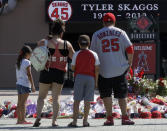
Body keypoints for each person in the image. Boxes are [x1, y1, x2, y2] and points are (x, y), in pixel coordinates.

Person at [90, 13, 134, 125]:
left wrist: (95, 71)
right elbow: (130, 49)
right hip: (120, 69)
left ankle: (109, 118)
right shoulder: (121, 32)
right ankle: (124, 117)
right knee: (122, 95)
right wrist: (129, 64)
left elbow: (92, 54)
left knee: (106, 95)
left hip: (104, 70)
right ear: (114, 22)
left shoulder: (96, 34)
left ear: (103, 22)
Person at [33, 19, 75, 127]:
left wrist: (47, 39)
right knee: (56, 98)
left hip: (46, 71)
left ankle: (38, 118)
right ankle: (54, 121)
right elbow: (73, 57)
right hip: (59, 73)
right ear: (62, 31)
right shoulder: (66, 44)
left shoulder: (44, 42)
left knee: (41, 97)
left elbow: (37, 50)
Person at [68, 35, 100, 127]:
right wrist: (96, 81)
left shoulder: (76, 54)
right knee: (87, 101)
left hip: (79, 77)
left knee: (77, 100)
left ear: (78, 44)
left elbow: (73, 67)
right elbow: (97, 68)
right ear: (89, 43)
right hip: (90, 78)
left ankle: (74, 122)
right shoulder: (94, 54)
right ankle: (85, 121)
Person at [16, 45, 36, 124]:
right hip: (25, 84)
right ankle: (23, 120)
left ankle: (19, 120)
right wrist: (33, 85)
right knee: (23, 103)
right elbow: (29, 74)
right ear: (27, 54)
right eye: (30, 54)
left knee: (19, 103)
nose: (30, 56)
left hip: (19, 84)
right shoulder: (27, 62)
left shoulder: (19, 62)